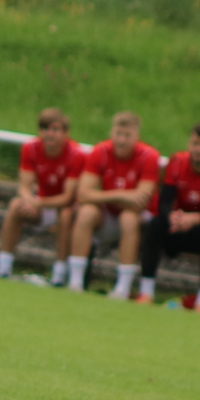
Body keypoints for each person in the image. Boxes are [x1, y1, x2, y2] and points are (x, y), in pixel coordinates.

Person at [136, 122, 200, 310]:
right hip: (178, 226)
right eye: (195, 144)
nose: (198, 150)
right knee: (155, 225)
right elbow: (164, 203)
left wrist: (196, 218)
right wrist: (173, 217)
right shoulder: (177, 162)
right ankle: (146, 292)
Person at [68, 111, 160, 297]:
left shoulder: (149, 156)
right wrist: (121, 194)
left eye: (127, 135)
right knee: (86, 213)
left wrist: (103, 196)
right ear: (112, 133)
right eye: (118, 134)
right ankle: (75, 282)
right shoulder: (100, 151)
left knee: (128, 218)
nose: (122, 140)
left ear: (137, 136)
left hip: (138, 220)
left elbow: (140, 202)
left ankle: (122, 288)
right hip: (109, 214)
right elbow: (83, 195)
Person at [0, 108, 82, 285]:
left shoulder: (76, 154)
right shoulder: (30, 148)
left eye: (55, 129)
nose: (49, 134)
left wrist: (40, 203)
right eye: (44, 129)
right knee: (16, 206)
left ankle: (59, 275)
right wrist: (30, 201)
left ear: (66, 133)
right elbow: (24, 187)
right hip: (41, 204)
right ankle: (3, 268)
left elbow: (68, 197)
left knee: (65, 215)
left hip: (64, 207)